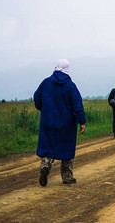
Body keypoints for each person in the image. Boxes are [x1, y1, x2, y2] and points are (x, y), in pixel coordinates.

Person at [34, 59, 86, 187]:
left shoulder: (46, 82)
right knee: (67, 148)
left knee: (48, 145)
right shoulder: (70, 86)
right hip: (66, 123)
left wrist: (43, 109)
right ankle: (67, 177)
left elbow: (37, 97)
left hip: (48, 121)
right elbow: (77, 105)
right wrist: (81, 121)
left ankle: (45, 165)